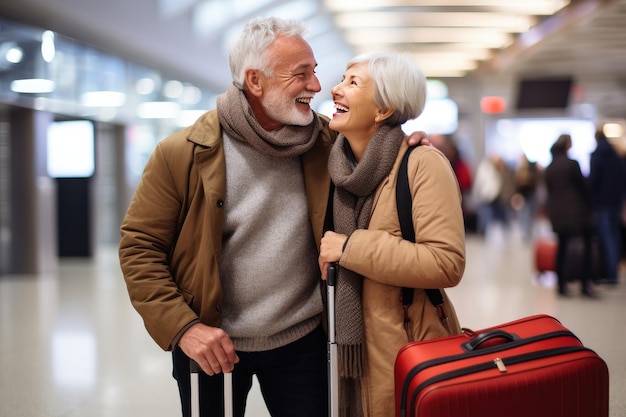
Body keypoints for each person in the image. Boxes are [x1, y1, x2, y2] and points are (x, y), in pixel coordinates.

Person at [118, 17, 427, 417]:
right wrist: (184, 328)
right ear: (255, 81)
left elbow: (380, 148)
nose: (316, 86)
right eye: (301, 75)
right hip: (213, 344)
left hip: (305, 342)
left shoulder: (327, 142)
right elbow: (139, 249)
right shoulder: (183, 154)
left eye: (314, 72)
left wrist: (410, 147)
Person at [318, 52, 465, 417]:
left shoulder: (422, 163)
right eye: (342, 79)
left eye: (353, 83)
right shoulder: (332, 165)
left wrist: (350, 247)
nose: (335, 89)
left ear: (383, 109)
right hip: (344, 351)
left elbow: (446, 262)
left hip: (406, 347)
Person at [544, 134, 595, 297]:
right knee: (587, 244)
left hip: (558, 213)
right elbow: (583, 188)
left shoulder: (550, 167)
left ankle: (561, 284)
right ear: (567, 146)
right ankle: (585, 284)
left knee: (562, 247)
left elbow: (549, 191)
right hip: (576, 212)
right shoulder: (572, 164)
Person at [589, 129, 625, 285]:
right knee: (615, 237)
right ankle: (613, 270)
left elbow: (593, 182)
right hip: (615, 202)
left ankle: (609, 273)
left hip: (601, 203)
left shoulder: (596, 156)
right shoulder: (616, 156)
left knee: (605, 237)